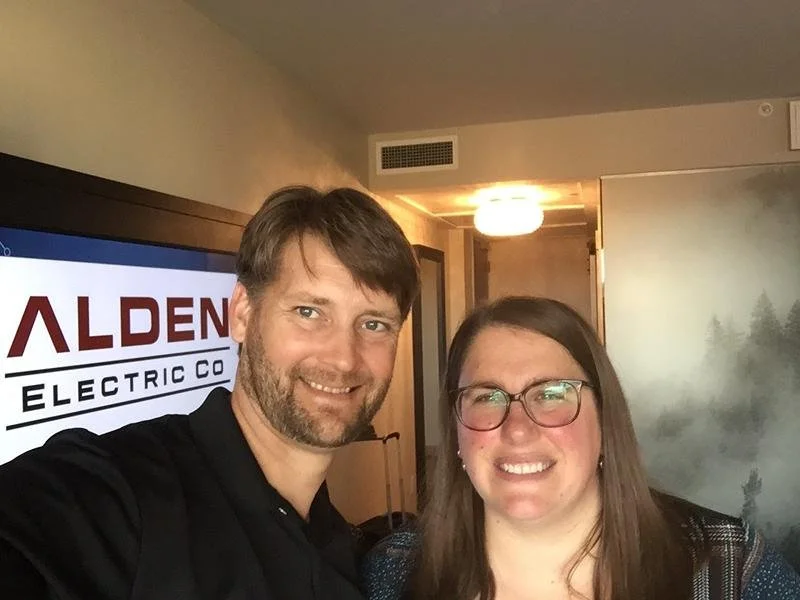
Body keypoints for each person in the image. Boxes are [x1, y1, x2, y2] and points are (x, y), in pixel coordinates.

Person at [0, 186, 420, 599]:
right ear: (241, 314)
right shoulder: (121, 493)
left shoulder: (336, 544)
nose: (344, 359)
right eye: (309, 312)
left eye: (374, 324)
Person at [362, 296, 800, 600]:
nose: (517, 429)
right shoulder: (393, 573)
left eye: (552, 394)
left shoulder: (730, 568)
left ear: (606, 421)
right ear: (456, 431)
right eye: (486, 396)